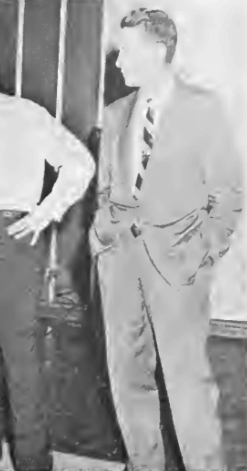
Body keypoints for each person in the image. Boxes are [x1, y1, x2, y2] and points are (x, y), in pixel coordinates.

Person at [90, 9, 243, 471]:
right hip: (119, 258)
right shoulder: (116, 113)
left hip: (178, 263)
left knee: (186, 383)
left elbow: (228, 197)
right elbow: (106, 188)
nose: (118, 62)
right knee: (126, 376)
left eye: (126, 52)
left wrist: (200, 254)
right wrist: (103, 233)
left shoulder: (203, 108)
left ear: (158, 50)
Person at [0, 43, 95, 471]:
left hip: (12, 234)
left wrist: (45, 213)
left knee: (18, 351)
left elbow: (79, 163)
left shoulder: (25, 114)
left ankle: (32, 459)